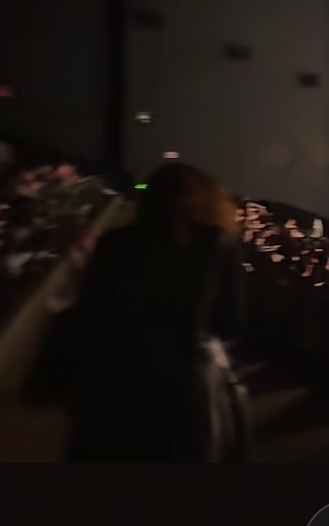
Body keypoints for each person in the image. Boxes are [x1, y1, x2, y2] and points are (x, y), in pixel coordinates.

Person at [35, 162, 251, 461]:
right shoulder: (218, 242)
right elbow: (231, 322)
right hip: (183, 391)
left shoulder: (114, 241)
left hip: (113, 383)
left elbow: (91, 311)